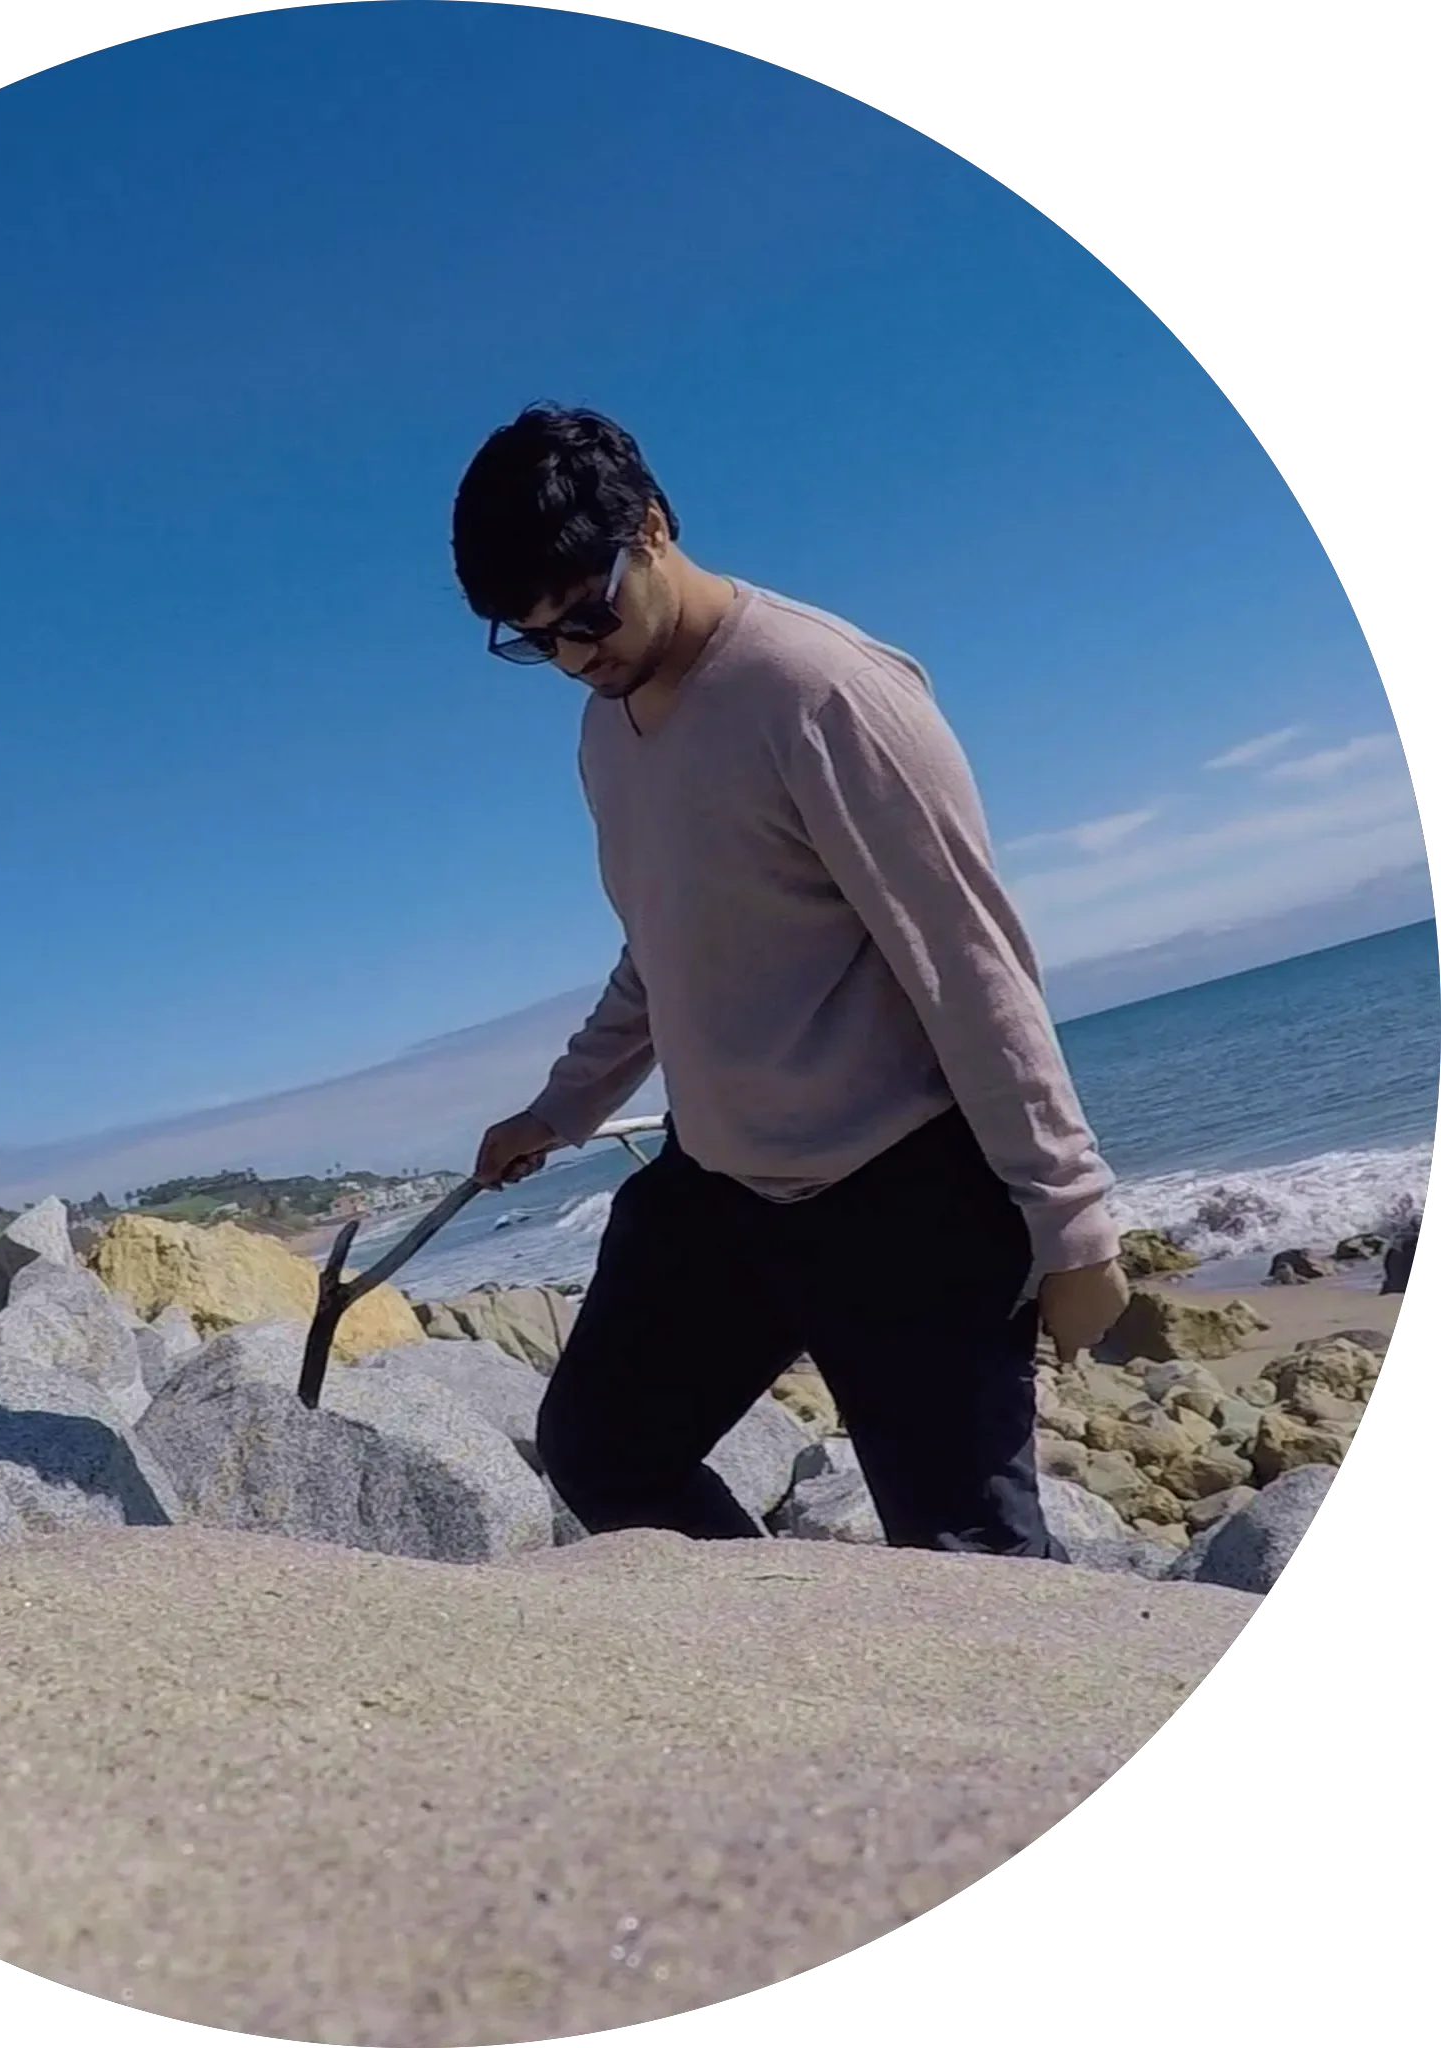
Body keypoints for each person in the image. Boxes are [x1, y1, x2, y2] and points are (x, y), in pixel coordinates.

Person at [451, 402, 1129, 1557]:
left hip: (903, 1193)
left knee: (974, 1566)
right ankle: (777, 1643)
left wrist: (1071, 1223)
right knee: (601, 1445)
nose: (574, 656)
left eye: (587, 612)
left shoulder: (822, 690)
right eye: (536, 641)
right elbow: (661, 948)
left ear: (651, 526)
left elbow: (966, 960)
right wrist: (557, 1109)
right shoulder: (605, 731)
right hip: (721, 1186)